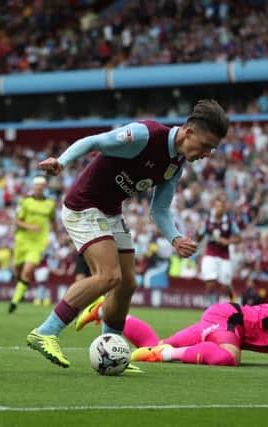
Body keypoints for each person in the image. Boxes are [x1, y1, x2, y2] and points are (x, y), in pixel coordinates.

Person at [26, 99, 230, 368]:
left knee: (127, 284)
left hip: (110, 212)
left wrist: (175, 238)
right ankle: (46, 331)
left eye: (212, 150)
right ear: (188, 132)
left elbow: (159, 210)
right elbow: (93, 142)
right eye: (205, 146)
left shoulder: (175, 165)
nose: (207, 154)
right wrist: (62, 162)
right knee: (109, 276)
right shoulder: (145, 135)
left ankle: (110, 349)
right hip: (84, 204)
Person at [81, 297, 268, 373]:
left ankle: (105, 310)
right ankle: (166, 356)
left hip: (226, 328)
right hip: (230, 319)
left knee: (153, 343)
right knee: (228, 359)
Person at [8, 176, 57, 313]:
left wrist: (56, 235)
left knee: (28, 270)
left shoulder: (50, 204)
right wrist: (29, 227)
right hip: (22, 240)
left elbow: (53, 221)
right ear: (34, 187)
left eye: (42, 185)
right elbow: (17, 221)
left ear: (45, 187)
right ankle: (21, 288)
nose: (39, 188)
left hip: (38, 243)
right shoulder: (26, 202)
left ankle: (14, 301)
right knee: (17, 270)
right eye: (37, 185)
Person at [196, 193, 242, 302]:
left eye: (221, 206)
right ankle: (211, 308)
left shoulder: (230, 223)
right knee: (210, 282)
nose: (219, 209)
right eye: (217, 206)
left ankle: (234, 303)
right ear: (213, 207)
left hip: (224, 257)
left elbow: (239, 238)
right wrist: (198, 231)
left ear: (224, 208)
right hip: (210, 255)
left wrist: (228, 241)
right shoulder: (208, 222)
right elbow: (198, 238)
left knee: (225, 286)